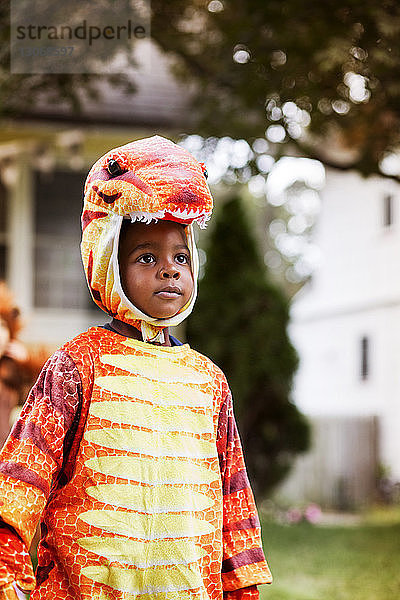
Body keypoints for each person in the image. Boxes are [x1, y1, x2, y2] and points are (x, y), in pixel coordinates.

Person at [0, 136, 272, 600]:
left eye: (180, 257)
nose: (169, 270)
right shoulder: (77, 363)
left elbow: (234, 506)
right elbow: (17, 490)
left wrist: (240, 591)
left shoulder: (208, 381)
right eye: (147, 257)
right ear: (107, 262)